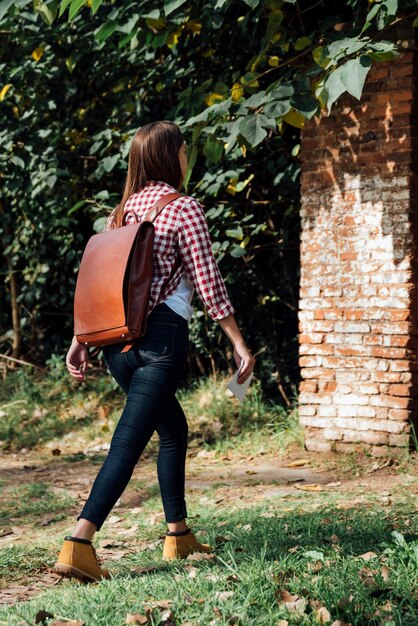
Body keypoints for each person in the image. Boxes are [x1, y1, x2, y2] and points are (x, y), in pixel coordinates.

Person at [54, 120, 255, 582]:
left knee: (173, 431)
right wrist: (239, 343)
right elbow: (208, 282)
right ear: (171, 156)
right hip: (160, 344)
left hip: (117, 349)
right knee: (127, 443)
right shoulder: (183, 208)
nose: (187, 156)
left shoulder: (120, 213)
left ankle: (178, 534)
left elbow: (98, 285)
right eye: (184, 149)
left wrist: (81, 340)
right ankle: (78, 543)